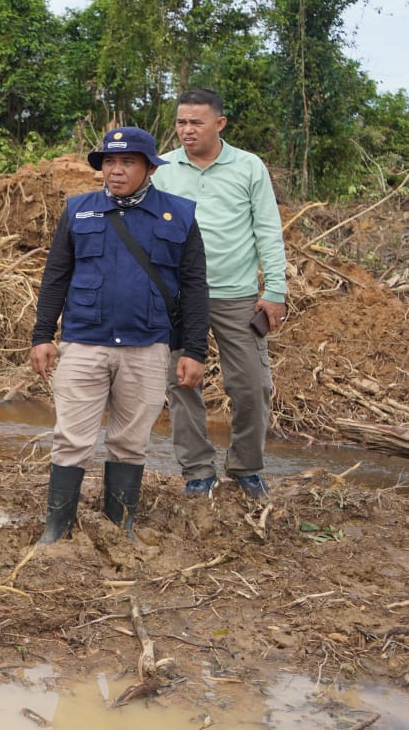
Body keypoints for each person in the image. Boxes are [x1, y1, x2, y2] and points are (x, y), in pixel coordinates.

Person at [30, 127, 209, 543]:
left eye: (127, 162)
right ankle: (57, 530)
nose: (115, 170)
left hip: (146, 347)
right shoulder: (78, 211)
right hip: (83, 343)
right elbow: (56, 276)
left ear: (149, 167)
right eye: (109, 162)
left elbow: (195, 285)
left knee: (130, 442)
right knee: (71, 438)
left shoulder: (179, 214)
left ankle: (119, 527)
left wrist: (194, 349)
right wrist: (43, 335)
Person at [152, 89, 288, 500]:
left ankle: (246, 468)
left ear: (220, 124)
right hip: (178, 296)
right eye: (180, 122)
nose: (186, 130)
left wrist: (276, 289)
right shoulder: (162, 169)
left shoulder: (248, 166)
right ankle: (197, 470)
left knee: (252, 386)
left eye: (196, 122)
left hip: (236, 294)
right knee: (182, 383)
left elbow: (267, 228)